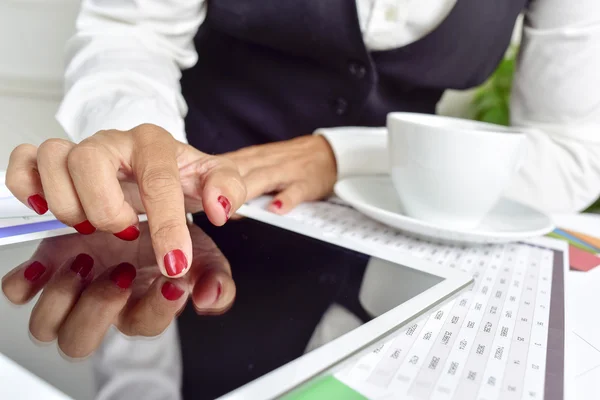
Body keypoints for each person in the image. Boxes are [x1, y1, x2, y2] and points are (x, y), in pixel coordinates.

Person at [2, 0, 600, 397]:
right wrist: (141, 134)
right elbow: (130, 31)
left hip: (391, 269)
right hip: (193, 232)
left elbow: (574, 150)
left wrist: (341, 156)